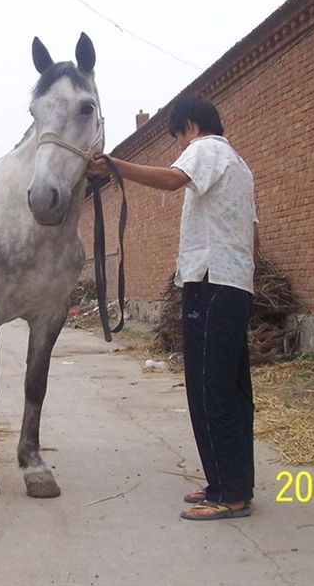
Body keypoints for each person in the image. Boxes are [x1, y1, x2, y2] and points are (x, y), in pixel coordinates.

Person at [87, 94, 258, 521]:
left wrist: (114, 165)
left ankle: (230, 495)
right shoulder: (239, 165)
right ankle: (230, 482)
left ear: (190, 127)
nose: (180, 146)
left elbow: (170, 179)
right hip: (234, 284)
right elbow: (254, 232)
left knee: (208, 389)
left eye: (178, 136)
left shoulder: (207, 149)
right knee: (232, 390)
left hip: (209, 281)